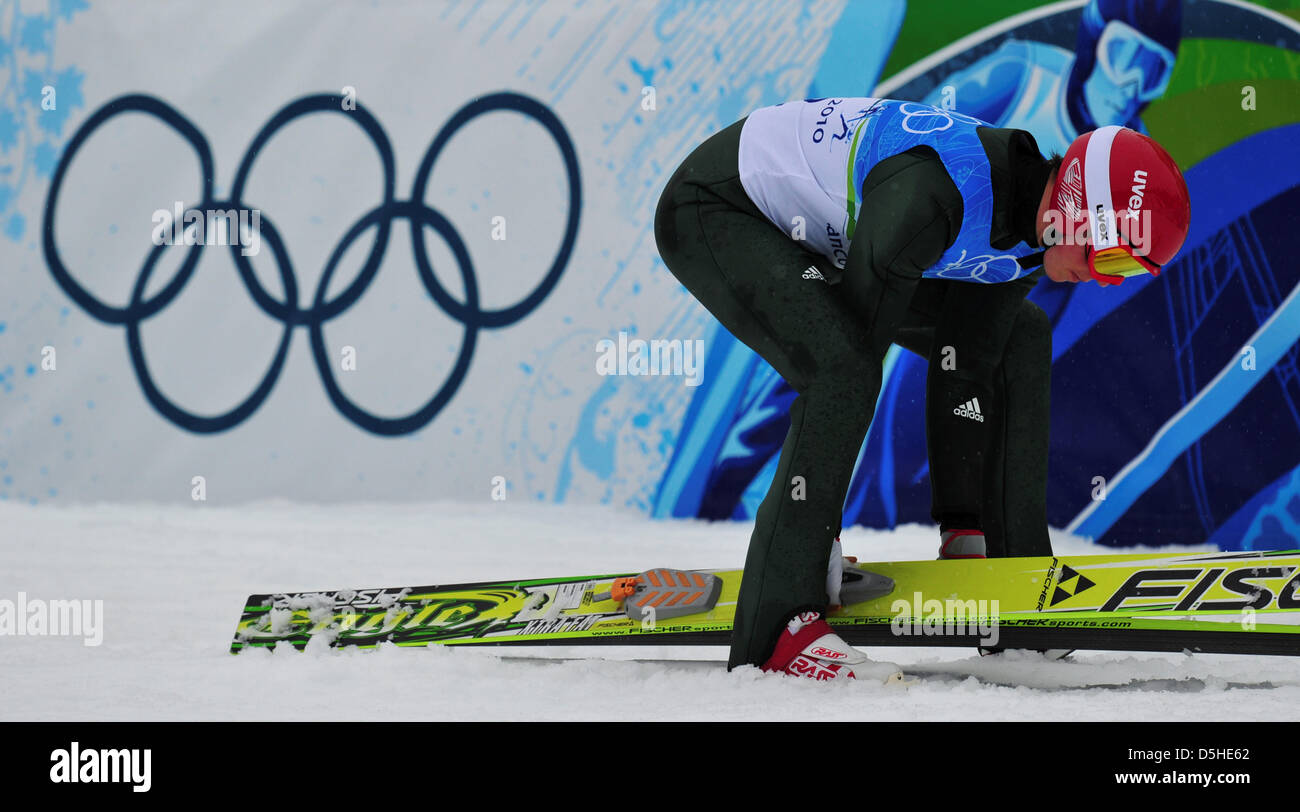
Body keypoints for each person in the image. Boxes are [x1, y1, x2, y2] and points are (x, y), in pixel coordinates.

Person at [652, 98, 1190, 679]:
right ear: (1080, 211)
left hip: (837, 237)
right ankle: (777, 632)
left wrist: (966, 535)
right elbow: (846, 359)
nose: (1107, 278)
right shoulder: (934, 198)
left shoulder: (1035, 232)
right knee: (846, 370)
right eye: (1112, 255)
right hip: (719, 206)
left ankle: (1011, 572)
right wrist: (817, 545)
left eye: (1129, 270)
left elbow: (967, 362)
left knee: (1016, 337)